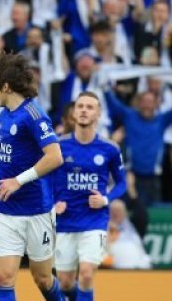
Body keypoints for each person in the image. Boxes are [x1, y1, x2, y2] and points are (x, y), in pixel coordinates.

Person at [0, 53, 65, 301]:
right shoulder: (7, 112)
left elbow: (55, 157)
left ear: (6, 86)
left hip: (36, 210)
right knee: (4, 278)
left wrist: (18, 180)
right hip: (4, 210)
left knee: (42, 278)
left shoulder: (34, 115)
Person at [54, 91, 127, 301]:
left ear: (98, 114)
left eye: (90, 107)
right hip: (65, 221)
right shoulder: (59, 146)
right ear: (73, 113)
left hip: (94, 220)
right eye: (80, 106)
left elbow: (121, 182)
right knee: (66, 282)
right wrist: (52, 204)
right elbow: (43, 180)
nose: (84, 110)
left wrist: (105, 199)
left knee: (86, 274)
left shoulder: (109, 148)